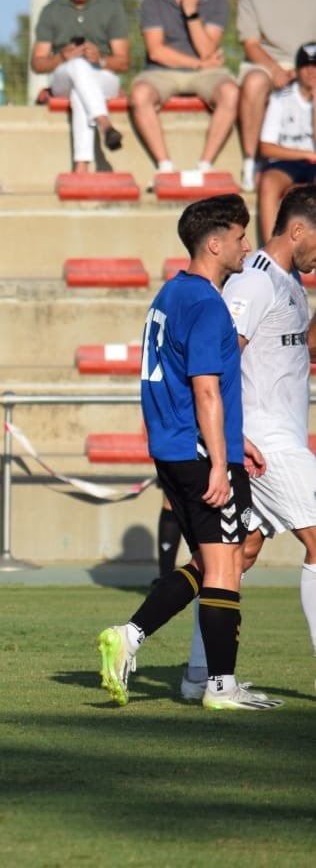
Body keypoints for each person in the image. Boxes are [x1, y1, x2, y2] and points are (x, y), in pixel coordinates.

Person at [96, 193, 281, 711]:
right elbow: (205, 389)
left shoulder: (170, 294)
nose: (247, 246)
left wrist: (235, 438)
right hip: (199, 453)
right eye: (241, 237)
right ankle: (219, 685)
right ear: (215, 243)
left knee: (221, 554)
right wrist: (221, 462)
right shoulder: (206, 304)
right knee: (226, 567)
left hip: (174, 448)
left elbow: (185, 383)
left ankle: (130, 637)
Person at [179, 184, 316, 700]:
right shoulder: (255, 281)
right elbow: (216, 355)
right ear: (297, 230)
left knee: (236, 556)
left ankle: (198, 674)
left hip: (270, 437)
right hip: (263, 440)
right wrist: (226, 439)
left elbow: (296, 348)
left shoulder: (290, 282)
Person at [128, 0, 239, 176]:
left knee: (231, 92)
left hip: (207, 73)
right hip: (162, 71)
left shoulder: (217, 0)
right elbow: (156, 51)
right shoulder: (154, 0)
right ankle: (165, 167)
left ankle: (205, 166)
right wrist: (198, 63)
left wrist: (191, 11)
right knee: (139, 95)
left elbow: (207, 50)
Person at [31, 0, 130, 173]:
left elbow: (123, 62)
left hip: (103, 77)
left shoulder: (111, 7)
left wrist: (101, 58)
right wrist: (61, 57)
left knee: (80, 92)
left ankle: (81, 167)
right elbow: (37, 63)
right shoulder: (52, 11)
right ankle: (105, 125)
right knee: (77, 66)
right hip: (63, 76)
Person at [237, 0, 316, 192]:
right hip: (267, 65)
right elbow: (250, 43)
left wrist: (302, 70)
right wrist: (276, 70)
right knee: (254, 82)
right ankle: (251, 160)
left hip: (308, 65)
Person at [255, 42, 316, 238]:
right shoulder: (281, 99)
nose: (311, 72)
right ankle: (271, 250)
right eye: (306, 66)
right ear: (297, 70)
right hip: (288, 161)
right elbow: (266, 148)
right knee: (268, 183)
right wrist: (306, 154)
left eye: (315, 66)